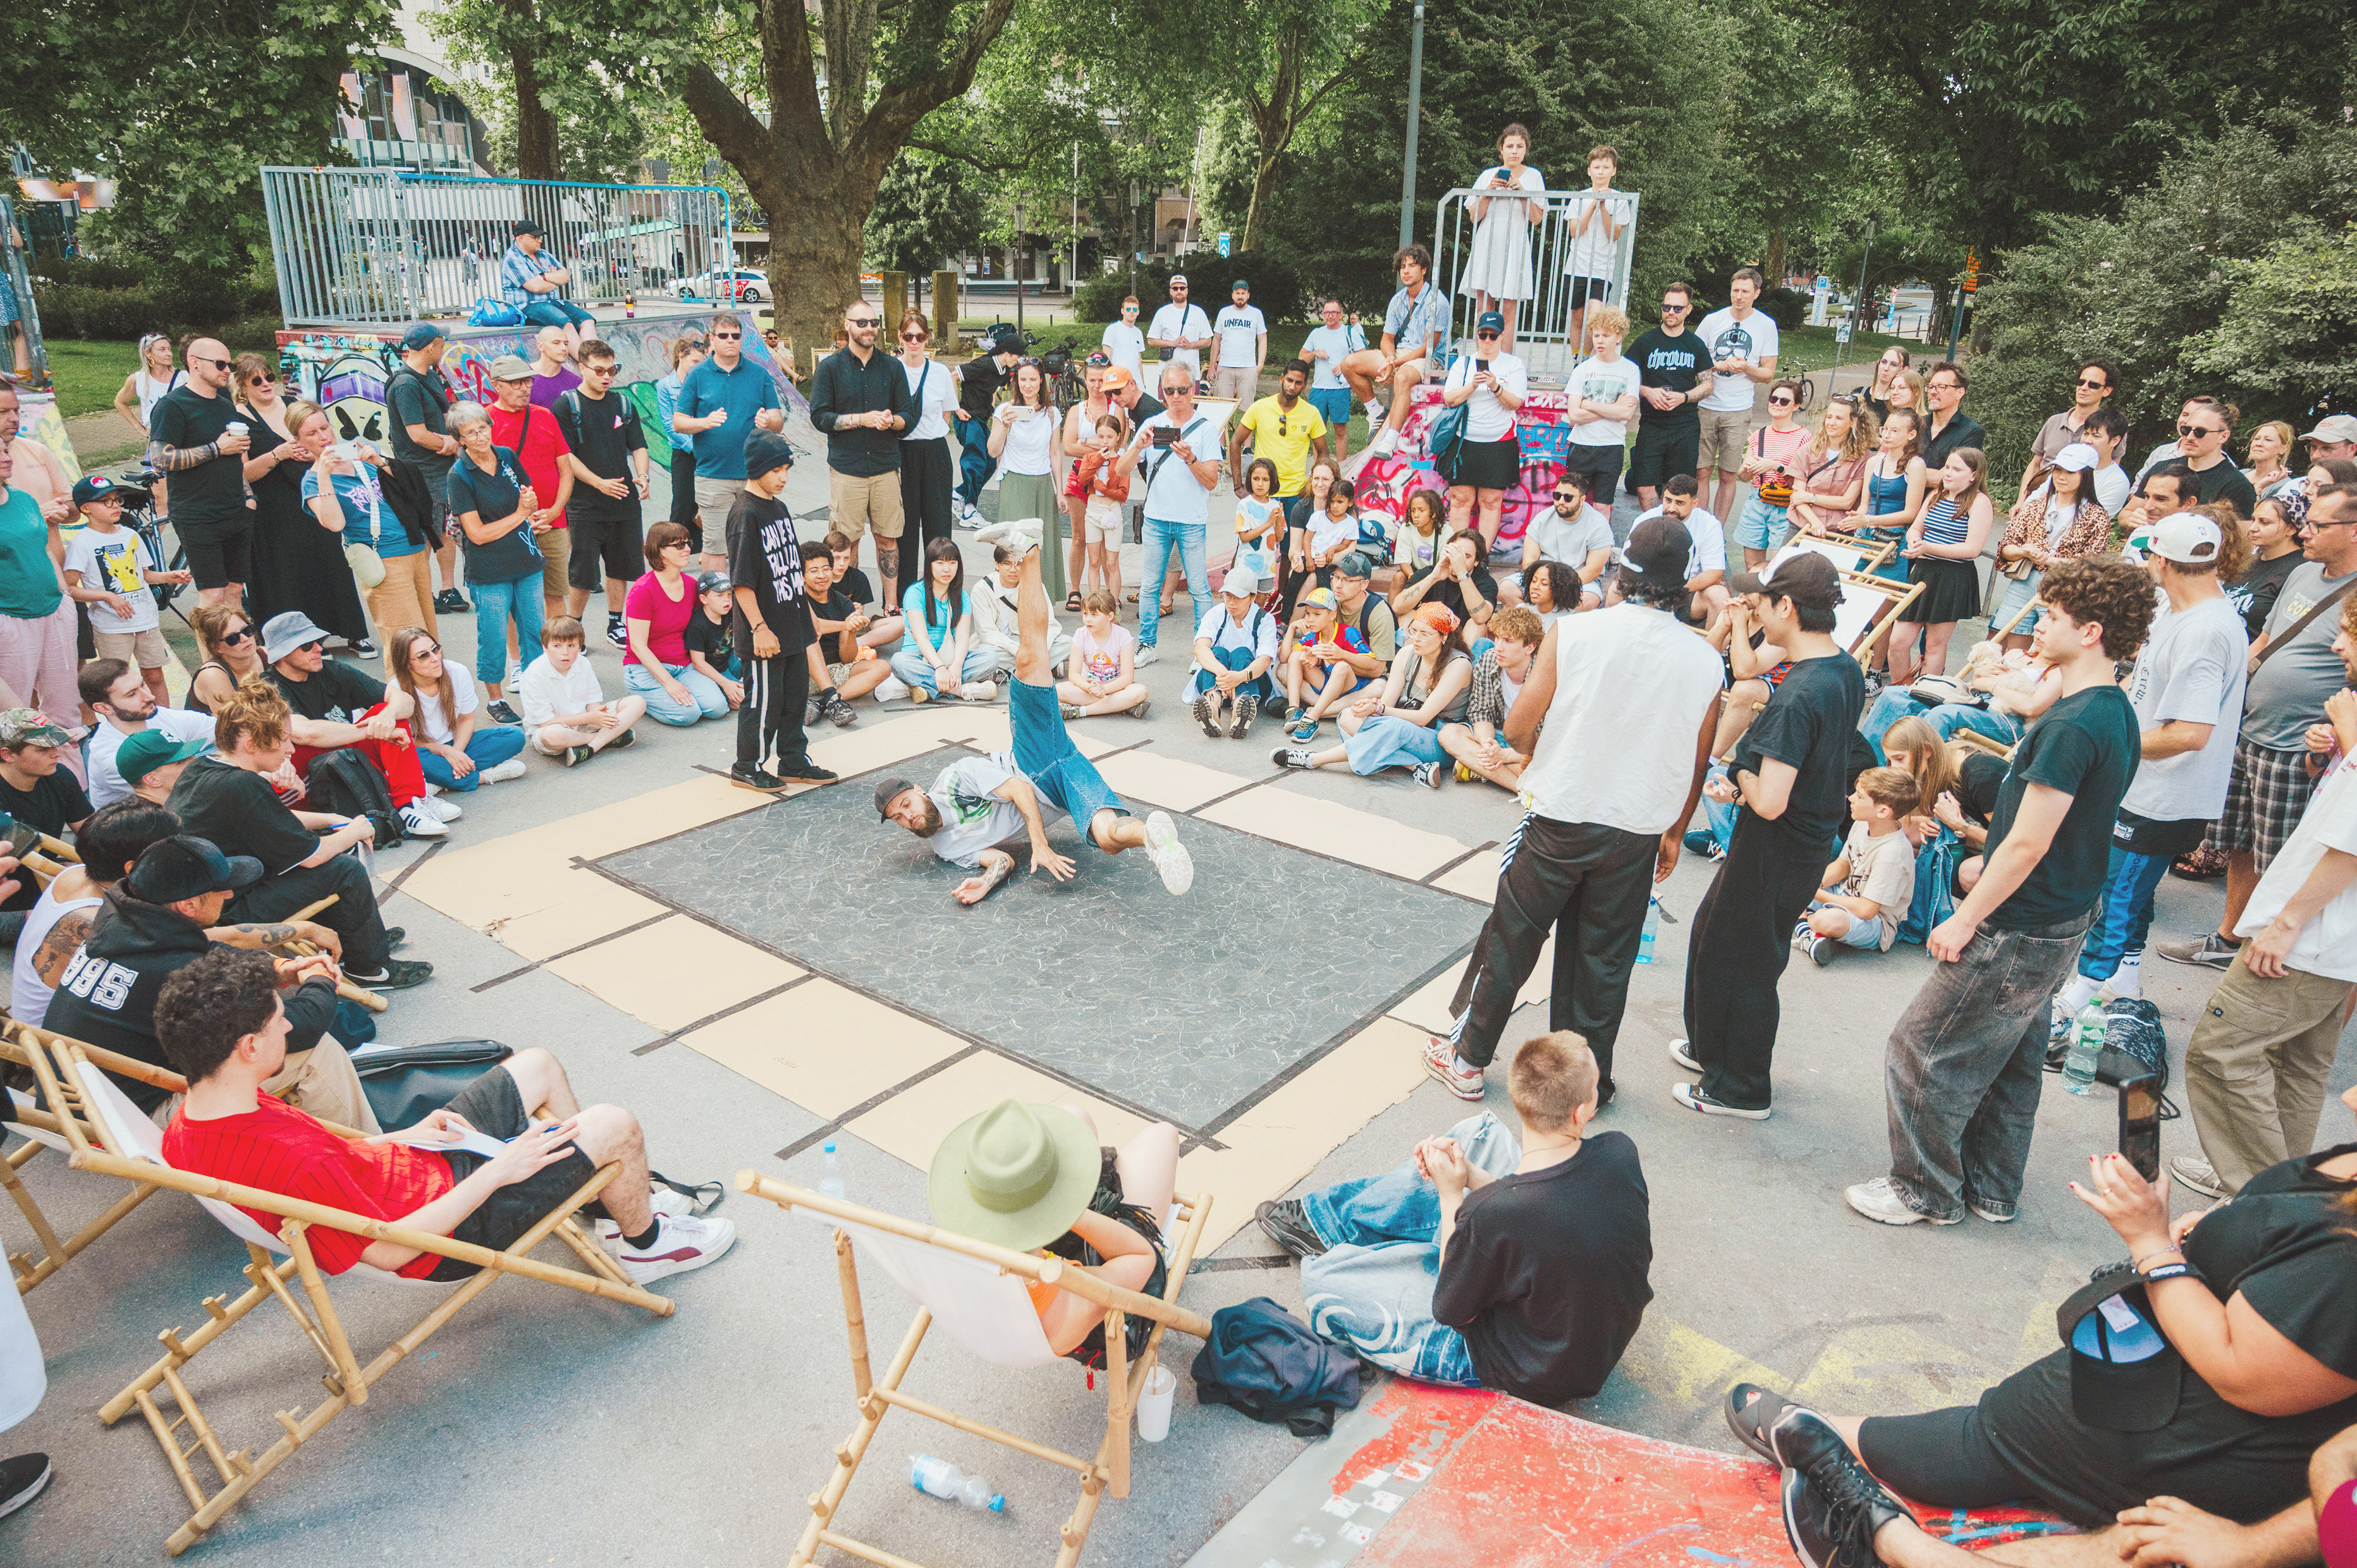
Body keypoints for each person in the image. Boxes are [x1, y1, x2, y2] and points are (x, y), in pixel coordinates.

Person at [1756, 1083, 2357, 1556]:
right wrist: (2207, 1238)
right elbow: (2288, 1252)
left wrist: (2153, 1246)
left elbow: (2249, 1376)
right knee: (2039, 1411)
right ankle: (1882, 1507)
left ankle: (1859, 1489)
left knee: (2007, 1425)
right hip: (2173, 1370)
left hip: (2210, 1436)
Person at [1846, 556, 2152, 1225]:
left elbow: (2026, 842)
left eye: (2053, 616)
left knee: (1920, 1048)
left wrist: (1966, 918)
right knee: (2010, 1056)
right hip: (2061, 913)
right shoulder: (2110, 709)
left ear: (2092, 630)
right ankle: (1990, 1188)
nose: (2038, 623)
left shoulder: (2072, 726)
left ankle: (1923, 1189)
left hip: (2019, 923)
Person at [157, 946, 733, 1285]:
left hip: (412, 1174)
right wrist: (501, 1170)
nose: (289, 1026)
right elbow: (390, 1250)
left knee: (535, 1065)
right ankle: (645, 1242)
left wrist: (405, 1136)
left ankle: (599, 1201)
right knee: (616, 1124)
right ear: (249, 1048)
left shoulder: (198, 1116)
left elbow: (335, 1162)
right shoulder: (291, 1162)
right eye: (278, 1022)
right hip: (446, 1232)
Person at [1424, 518, 1721, 1103]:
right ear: (1683, 583)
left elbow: (1518, 728)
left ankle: (1468, 1058)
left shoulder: (1576, 633)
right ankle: (1585, 1084)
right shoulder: (1705, 659)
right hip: (1637, 827)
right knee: (1603, 962)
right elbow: (1698, 757)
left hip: (1562, 813)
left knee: (1514, 937)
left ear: (1622, 574)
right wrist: (1675, 831)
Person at [1264, 1031, 1651, 1404]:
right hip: (1581, 1335)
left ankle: (1353, 1240)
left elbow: (1449, 1307)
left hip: (1528, 1368)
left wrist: (1452, 1197)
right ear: (1581, 1112)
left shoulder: (1496, 1215)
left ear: (1519, 1098)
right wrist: (1467, 1176)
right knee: (1478, 1133)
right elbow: (1536, 1209)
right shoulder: (1620, 1151)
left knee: (1321, 1278)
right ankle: (1335, 1228)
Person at [881, 521, 1192, 898]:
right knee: (1109, 839)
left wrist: (1040, 845)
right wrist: (986, 881)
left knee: (1030, 657)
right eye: (899, 818)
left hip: (1032, 756)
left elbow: (1019, 791)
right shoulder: (946, 847)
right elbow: (1001, 861)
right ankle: (1159, 842)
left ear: (918, 790)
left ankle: (1029, 549)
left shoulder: (954, 780)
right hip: (1064, 778)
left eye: (906, 805)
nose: (909, 817)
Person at [1669, 553, 1863, 1120]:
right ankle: (1712, 1049)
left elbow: (1771, 799)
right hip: (1801, 839)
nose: (1757, 609)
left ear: (1787, 608)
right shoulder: (1842, 668)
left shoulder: (1800, 695)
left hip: (1778, 844)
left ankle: (1741, 1087)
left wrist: (1738, 771)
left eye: (1764, 602)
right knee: (1714, 934)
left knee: (1744, 961)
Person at [2177, 590, 2357, 1197]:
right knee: (2295, 1067)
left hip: (2312, 934)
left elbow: (2353, 840)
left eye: (2349, 635)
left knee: (2219, 1054)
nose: (2337, 646)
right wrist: (2330, 756)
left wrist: (2285, 923)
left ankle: (2257, 1196)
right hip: (2334, 942)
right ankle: (2282, 1188)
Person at [2047, 510, 2246, 1050]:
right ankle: (2123, 978)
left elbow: (2192, 732)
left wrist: (2114, 745)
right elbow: (2142, 685)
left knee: (2117, 892)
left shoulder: (2206, 630)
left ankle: (2082, 992)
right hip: (2145, 785)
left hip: (2167, 795)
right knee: (2127, 892)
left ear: (2160, 560)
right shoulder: (2178, 609)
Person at [43, 832, 379, 1130]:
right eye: (221, 888)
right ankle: (372, 1158)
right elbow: (302, 1026)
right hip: (127, 1122)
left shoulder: (121, 920)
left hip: (77, 1097)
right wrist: (319, 981)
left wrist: (282, 967)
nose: (230, 891)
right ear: (188, 904)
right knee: (314, 1051)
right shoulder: (176, 971)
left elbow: (203, 948)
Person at [2159, 484, 2357, 970]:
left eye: (2319, 525)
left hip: (2299, 745)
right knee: (2240, 844)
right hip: (2251, 731)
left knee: (2281, 857)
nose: (2305, 531)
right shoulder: (2303, 573)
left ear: (2353, 531)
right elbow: (2266, 639)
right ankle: (2229, 938)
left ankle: (2271, 953)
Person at [168, 677, 430, 991]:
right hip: (224, 911)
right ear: (251, 744)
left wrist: (332, 818)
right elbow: (312, 856)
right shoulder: (242, 784)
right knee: (343, 867)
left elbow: (269, 817)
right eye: (284, 740)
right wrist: (358, 828)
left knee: (334, 846)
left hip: (205, 896)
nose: (291, 749)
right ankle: (369, 968)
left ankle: (357, 937)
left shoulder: (204, 768)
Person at [926, 1098, 1178, 1365]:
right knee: (1163, 1135)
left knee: (1074, 1115)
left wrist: (1027, 1201)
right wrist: (1064, 1208)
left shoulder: (950, 1257)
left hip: (1027, 1257)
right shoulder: (1072, 1300)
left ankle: (1022, 1186)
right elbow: (1141, 1256)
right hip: (1093, 1269)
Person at [258, 610, 443, 840]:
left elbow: (405, 701)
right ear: (283, 654)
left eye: (319, 641)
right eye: (307, 645)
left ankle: (410, 803)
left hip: (347, 760)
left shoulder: (332, 671)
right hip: (305, 776)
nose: (318, 648)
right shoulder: (268, 688)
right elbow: (306, 733)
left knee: (387, 714)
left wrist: (387, 717)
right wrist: (374, 730)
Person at [9, 799, 181, 1030]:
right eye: (175, 850)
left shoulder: (77, 874)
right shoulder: (99, 923)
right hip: (53, 1047)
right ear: (132, 868)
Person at [723, 430, 833, 792]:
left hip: (792, 624)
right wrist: (759, 628)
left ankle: (793, 759)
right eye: (776, 470)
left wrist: (808, 618)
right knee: (764, 702)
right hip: (765, 632)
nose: (783, 477)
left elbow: (788, 570)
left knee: (794, 698)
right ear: (757, 469)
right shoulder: (745, 513)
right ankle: (747, 765)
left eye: (786, 468)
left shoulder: (778, 506)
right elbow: (742, 582)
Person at [235, 366, 369, 653]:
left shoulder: (292, 405)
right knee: (286, 573)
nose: (266, 384)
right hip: (272, 506)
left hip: (311, 491)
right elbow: (242, 472)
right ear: (243, 386)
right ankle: (303, 641)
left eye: (269, 377)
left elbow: (323, 442)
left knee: (331, 561)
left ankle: (351, 630)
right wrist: (278, 454)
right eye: (256, 380)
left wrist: (313, 453)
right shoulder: (237, 418)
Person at [1271, 601, 1474, 788]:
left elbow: (1423, 718)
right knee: (1347, 716)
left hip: (1439, 738)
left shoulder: (1459, 665)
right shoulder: (1407, 653)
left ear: (1444, 636)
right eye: (1413, 631)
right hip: (1405, 724)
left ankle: (1313, 759)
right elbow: (1386, 704)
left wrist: (1379, 709)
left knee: (1393, 727)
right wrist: (1372, 709)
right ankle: (1415, 767)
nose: (1416, 639)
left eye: (1425, 634)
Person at [445, 398, 549, 727]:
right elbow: (475, 534)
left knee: (534, 631)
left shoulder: (506, 456)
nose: (480, 437)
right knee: (492, 637)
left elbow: (526, 491)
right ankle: (496, 699)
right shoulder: (459, 475)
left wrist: (529, 504)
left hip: (526, 558)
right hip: (489, 570)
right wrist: (520, 514)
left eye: (483, 428)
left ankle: (536, 690)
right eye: (471, 433)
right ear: (459, 439)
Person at [298, 400, 434, 649]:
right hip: (383, 560)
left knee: (430, 637)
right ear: (298, 441)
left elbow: (413, 494)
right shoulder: (312, 481)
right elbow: (335, 524)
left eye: (325, 428)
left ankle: (433, 689)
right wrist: (325, 476)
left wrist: (381, 462)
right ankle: (401, 689)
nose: (323, 437)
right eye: (311, 433)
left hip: (415, 550)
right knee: (408, 645)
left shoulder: (359, 457)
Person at [810, 300, 918, 606]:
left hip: (885, 467)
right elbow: (819, 417)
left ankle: (891, 606)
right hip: (847, 470)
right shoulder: (830, 368)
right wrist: (860, 419)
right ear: (847, 325)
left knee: (888, 540)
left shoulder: (893, 367)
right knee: (847, 544)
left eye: (873, 322)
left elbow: (907, 417)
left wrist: (891, 421)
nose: (869, 328)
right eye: (862, 323)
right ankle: (847, 607)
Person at [1115, 365, 1221, 666]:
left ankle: (1202, 650)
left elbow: (1212, 481)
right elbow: (1120, 471)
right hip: (1157, 518)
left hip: (1191, 520)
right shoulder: (1152, 423)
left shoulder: (1206, 429)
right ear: (1162, 391)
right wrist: (1138, 445)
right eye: (1170, 391)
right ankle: (1147, 644)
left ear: (1194, 390)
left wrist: (1190, 458)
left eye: (1182, 390)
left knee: (1200, 588)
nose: (1176, 397)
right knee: (1149, 587)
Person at [146, 337, 254, 608]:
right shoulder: (173, 405)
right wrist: (217, 448)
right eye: (220, 364)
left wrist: (248, 496)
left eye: (230, 364)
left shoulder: (225, 402)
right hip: (197, 514)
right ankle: (212, 653)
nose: (227, 370)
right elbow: (160, 458)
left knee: (234, 591)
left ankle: (237, 649)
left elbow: (234, 458)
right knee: (213, 595)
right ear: (194, 363)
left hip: (234, 508)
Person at [62, 475, 188, 704]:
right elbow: (69, 588)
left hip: (146, 620)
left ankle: (165, 723)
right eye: (106, 501)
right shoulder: (82, 543)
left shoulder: (131, 535)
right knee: (116, 681)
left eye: (117, 499)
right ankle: (126, 726)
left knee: (155, 676)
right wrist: (107, 596)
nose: (115, 505)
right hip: (111, 626)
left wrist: (170, 576)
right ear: (85, 508)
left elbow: (144, 575)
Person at [676, 313, 787, 572]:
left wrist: (767, 420)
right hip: (713, 476)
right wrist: (705, 422)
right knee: (715, 546)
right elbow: (679, 421)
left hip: (756, 476)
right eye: (723, 336)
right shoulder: (697, 375)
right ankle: (716, 607)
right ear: (712, 339)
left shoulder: (759, 374)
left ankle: (755, 605)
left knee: (758, 544)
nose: (730, 341)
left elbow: (778, 420)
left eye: (736, 336)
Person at [554, 338, 649, 632]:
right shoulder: (566, 404)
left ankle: (615, 623)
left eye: (612, 369)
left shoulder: (623, 403)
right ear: (582, 368)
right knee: (583, 572)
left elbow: (639, 446)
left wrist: (643, 476)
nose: (607, 376)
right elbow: (566, 455)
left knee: (620, 567)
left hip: (623, 501)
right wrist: (598, 484)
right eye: (599, 370)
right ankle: (575, 625)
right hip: (585, 504)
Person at [1888, 448, 1997, 688]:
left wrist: (1928, 547)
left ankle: (1923, 696)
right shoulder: (1936, 495)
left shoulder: (1979, 502)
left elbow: (1972, 549)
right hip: (1923, 571)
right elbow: (1916, 527)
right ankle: (1899, 691)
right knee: (1898, 641)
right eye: (1947, 467)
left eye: (1956, 469)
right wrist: (1914, 540)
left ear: (1973, 475)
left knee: (1935, 645)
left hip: (1953, 576)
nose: (1948, 473)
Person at [383, 322, 469, 619]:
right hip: (422, 472)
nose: (444, 347)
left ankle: (448, 589)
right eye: (441, 343)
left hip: (441, 466)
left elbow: (443, 414)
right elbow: (416, 434)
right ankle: (423, 592)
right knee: (426, 532)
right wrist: (450, 443)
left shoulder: (429, 375)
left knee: (444, 529)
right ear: (431, 346)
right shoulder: (406, 385)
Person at [1991, 443, 2113, 651]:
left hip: (2064, 587)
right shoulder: (2037, 504)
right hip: (2024, 580)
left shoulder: (2096, 515)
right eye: (2058, 470)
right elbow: (2006, 548)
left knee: (2045, 647)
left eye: (2070, 472)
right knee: (2000, 640)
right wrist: (2025, 551)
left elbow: (2093, 565)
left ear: (2086, 475)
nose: (2061, 477)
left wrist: (2050, 560)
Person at [1794, 766, 1921, 967]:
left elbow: (1867, 910)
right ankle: (1809, 934)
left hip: (1875, 924)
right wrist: (1813, 883)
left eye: (1859, 797)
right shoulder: (1863, 822)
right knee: (1791, 877)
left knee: (1827, 920)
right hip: (1844, 895)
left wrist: (1814, 893)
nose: (1851, 798)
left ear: (1883, 811)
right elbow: (1842, 866)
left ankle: (1803, 926)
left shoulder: (1892, 854)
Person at [483, 356, 574, 627]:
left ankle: (559, 652)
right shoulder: (484, 422)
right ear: (496, 385)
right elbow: (484, 482)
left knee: (555, 594)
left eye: (527, 381)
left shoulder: (545, 415)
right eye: (515, 383)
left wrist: (557, 510)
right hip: (509, 525)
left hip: (552, 521)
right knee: (511, 599)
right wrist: (520, 518)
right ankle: (519, 662)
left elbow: (566, 471)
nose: (524, 388)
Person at [387, 627, 528, 794]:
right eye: (424, 656)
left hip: (457, 743)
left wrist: (456, 754)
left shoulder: (458, 672)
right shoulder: (396, 690)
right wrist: (444, 751)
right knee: (411, 759)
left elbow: (466, 719)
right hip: (425, 751)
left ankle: (439, 780)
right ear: (406, 664)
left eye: (435, 649)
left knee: (514, 736)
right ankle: (483, 777)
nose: (435, 658)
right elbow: (407, 739)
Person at [1438, 310, 1529, 551]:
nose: (1487, 341)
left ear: (1501, 336)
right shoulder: (1464, 363)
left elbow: (1516, 403)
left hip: (1498, 441)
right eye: (1483, 335)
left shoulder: (1513, 364)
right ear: (1477, 336)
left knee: (1490, 502)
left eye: (1493, 336)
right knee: (1460, 501)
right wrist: (1472, 385)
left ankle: (1481, 557)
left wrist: (1495, 386)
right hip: (1464, 441)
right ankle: (1458, 553)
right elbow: (1449, 398)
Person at [1696, 269, 1781, 523]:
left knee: (1727, 474)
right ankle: (1700, 525)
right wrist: (1719, 365)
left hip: (1739, 409)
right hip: (1706, 405)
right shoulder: (1712, 321)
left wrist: (1746, 368)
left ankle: (1716, 531)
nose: (1739, 297)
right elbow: (1695, 361)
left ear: (1756, 293)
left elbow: (1768, 373)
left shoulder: (1766, 326)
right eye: (1735, 290)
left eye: (1745, 292)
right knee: (1701, 471)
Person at [1348, 246, 1448, 460]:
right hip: (1400, 355)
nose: (1406, 271)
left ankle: (1389, 441)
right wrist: (1390, 358)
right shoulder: (1398, 299)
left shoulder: (1437, 301)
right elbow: (1387, 339)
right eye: (1403, 267)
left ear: (1424, 270)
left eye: (1412, 266)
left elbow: (1427, 348)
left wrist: (1395, 364)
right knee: (1350, 363)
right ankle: (1376, 413)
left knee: (1402, 377)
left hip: (1429, 359)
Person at [1457, 125, 1546, 352]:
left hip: (1515, 243)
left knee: (1509, 307)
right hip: (1488, 241)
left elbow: (1537, 219)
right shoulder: (1488, 174)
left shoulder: (1534, 176)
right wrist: (1488, 190)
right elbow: (1474, 216)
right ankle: (1483, 357)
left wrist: (1522, 193)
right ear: (1501, 149)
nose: (1514, 151)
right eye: (1509, 146)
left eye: (1519, 146)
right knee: (1484, 306)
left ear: (1526, 150)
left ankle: (1505, 359)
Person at [1626, 283, 1715, 512]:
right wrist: (1647, 391)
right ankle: (1654, 532)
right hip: (1652, 425)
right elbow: (1624, 378)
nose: (1671, 313)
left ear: (1689, 310)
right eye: (1666, 307)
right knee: (1644, 486)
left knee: (1678, 490)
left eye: (1677, 308)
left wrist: (1683, 397)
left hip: (1684, 427)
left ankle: (1673, 538)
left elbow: (1708, 386)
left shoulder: (1695, 345)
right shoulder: (1645, 342)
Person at [79, 659, 214, 809]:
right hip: (141, 827)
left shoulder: (153, 714)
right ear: (104, 708)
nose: (150, 697)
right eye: (132, 694)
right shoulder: (112, 757)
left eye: (143, 685)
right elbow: (188, 787)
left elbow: (223, 731)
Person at [1438, 603, 1546, 790]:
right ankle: (1522, 788)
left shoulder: (1544, 673)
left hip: (1535, 747)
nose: (1498, 647)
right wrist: (1488, 744)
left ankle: (1478, 767)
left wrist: (1506, 756)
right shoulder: (1489, 660)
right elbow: (1481, 712)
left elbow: (1552, 737)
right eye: (1497, 638)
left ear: (1530, 647)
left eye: (1508, 641)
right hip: (1500, 736)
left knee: (1545, 764)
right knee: (1449, 734)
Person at [986, 357, 1065, 603]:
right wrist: (1005, 425)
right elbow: (993, 450)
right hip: (1015, 482)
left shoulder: (1052, 414)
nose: (1028, 385)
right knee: (1014, 544)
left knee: (1043, 545)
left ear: (1042, 380)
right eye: (1023, 379)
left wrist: (1059, 491)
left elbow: (1055, 453)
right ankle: (1011, 598)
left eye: (1033, 379)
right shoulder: (1005, 410)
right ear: (1016, 381)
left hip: (1042, 483)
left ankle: (1043, 600)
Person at [517, 616, 643, 766]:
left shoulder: (583, 663)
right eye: (557, 646)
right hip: (553, 727)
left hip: (587, 720)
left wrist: (601, 715)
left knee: (638, 702)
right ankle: (608, 738)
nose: (565, 653)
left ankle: (591, 748)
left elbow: (592, 702)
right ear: (545, 647)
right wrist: (593, 718)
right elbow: (546, 722)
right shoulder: (534, 675)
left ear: (580, 646)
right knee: (553, 736)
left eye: (571, 646)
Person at [893, 536, 998, 704]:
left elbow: (963, 637)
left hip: (950, 658)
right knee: (899, 662)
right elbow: (921, 638)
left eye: (952, 563)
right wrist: (939, 667)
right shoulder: (916, 593)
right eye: (940, 563)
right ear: (930, 565)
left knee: (991, 657)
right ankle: (960, 690)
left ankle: (928, 688)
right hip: (920, 658)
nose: (947, 569)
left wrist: (956, 666)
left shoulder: (962, 597)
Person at [800, 546, 896, 716]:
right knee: (809, 637)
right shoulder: (798, 599)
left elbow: (847, 658)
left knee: (883, 667)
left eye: (826, 569)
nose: (822, 575)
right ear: (802, 577)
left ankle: (824, 703)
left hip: (835, 668)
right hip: (803, 671)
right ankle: (831, 699)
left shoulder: (843, 602)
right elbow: (813, 626)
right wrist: (845, 625)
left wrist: (851, 631)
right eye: (814, 571)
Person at [1228, 359, 1330, 514]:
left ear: (1305, 385)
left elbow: (1323, 452)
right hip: (1263, 492)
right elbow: (1236, 441)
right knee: (1256, 538)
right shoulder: (1259, 407)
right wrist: (1238, 485)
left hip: (1296, 494)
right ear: (1282, 378)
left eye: (1298, 383)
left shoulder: (1312, 413)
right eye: (1289, 380)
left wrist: (1311, 485)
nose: (1292, 386)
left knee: (1293, 539)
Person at [897, 311, 960, 560]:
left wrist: (929, 433)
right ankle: (902, 596)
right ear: (900, 337)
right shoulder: (892, 370)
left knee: (938, 528)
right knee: (903, 529)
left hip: (934, 452)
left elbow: (946, 414)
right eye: (909, 336)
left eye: (920, 336)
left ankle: (939, 593)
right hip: (902, 452)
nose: (914, 342)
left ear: (927, 339)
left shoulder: (940, 372)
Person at [1625, 474, 1729, 624]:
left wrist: (1677, 587)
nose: (1671, 509)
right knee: (1615, 590)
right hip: (1647, 590)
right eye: (1668, 501)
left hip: (1687, 591)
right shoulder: (1644, 521)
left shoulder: (1710, 524)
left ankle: (1710, 647)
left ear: (1695, 503)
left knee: (1719, 595)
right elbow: (1628, 564)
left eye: (1680, 503)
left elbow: (1715, 573)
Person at [1184, 568, 1276, 737]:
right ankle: (1212, 707)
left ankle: (1239, 709)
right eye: (1228, 596)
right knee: (1218, 652)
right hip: (1219, 682)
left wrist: (1240, 677)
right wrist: (1224, 674)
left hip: (1253, 683)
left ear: (1253, 597)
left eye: (1238, 598)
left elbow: (1264, 660)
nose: (1231, 603)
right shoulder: (1217, 613)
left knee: (1241, 653)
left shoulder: (1264, 620)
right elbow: (1200, 648)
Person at [1732, 379, 1813, 570]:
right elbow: (1744, 478)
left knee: (1780, 566)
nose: (1777, 404)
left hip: (1785, 505)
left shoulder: (1804, 437)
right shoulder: (1759, 435)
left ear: (1797, 406)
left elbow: (1804, 480)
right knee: (1752, 565)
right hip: (1757, 501)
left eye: (1784, 401)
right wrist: (1745, 470)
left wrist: (1777, 466)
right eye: (1774, 399)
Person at [1564, 305, 1638, 508]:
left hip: (1612, 447)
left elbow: (1627, 413)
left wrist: (1588, 404)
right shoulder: (1582, 370)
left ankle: (1600, 541)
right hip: (1581, 445)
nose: (1600, 340)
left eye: (1606, 335)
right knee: (1573, 503)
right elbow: (1575, 415)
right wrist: (1613, 408)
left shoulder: (1630, 370)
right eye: (1596, 335)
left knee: (1603, 506)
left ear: (1619, 336)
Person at [1560, 145, 1633, 350]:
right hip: (1576, 266)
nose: (1601, 171)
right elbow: (1576, 231)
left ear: (1614, 171)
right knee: (1577, 316)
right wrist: (1593, 203)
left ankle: (1585, 359)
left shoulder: (1619, 200)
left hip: (1602, 268)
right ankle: (1577, 359)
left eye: (1606, 167)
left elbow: (1614, 235)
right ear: (1589, 170)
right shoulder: (1579, 197)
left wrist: (1603, 206)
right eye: (1597, 167)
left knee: (1594, 317)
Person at [654, 332, 708, 599]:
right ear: (681, 357)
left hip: (708, 448)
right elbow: (669, 424)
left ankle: (701, 549)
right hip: (685, 452)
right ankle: (671, 548)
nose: (699, 366)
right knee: (684, 502)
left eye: (703, 361)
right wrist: (692, 448)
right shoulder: (666, 386)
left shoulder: (705, 382)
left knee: (710, 499)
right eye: (695, 360)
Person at [952, 327, 1022, 527]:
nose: (1018, 360)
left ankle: (958, 494)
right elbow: (952, 377)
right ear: (1007, 353)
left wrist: (991, 406)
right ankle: (969, 511)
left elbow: (992, 389)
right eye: (1017, 356)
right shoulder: (982, 364)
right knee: (975, 463)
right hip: (967, 418)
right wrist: (956, 408)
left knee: (991, 460)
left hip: (981, 418)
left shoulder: (1004, 370)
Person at [2018, 358, 2117, 496]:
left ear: (2106, 391)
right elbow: (2035, 464)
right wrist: (2021, 500)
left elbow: (2109, 472)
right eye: (2081, 382)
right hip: (2036, 500)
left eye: (2093, 385)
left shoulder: (2110, 429)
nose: (2084, 388)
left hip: (2076, 503)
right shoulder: (2054, 421)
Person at [972, 538, 1072, 675]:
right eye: (1007, 564)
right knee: (983, 652)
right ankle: (1043, 668)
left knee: (1069, 643)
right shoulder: (982, 589)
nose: (1013, 570)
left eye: (1018, 564)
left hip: (1030, 643)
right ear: (997, 565)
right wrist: (1018, 650)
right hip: (1000, 644)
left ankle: (1007, 672)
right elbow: (987, 633)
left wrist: (1041, 649)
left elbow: (1051, 625)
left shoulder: (1036, 586)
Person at [1784, 395, 1875, 543]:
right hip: (1802, 526)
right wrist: (1815, 523)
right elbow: (1798, 498)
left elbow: (1847, 502)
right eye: (1829, 417)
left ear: (1853, 422)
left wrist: (1811, 497)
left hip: (1839, 532)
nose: (1831, 423)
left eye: (1839, 418)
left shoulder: (1864, 458)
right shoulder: (1806, 451)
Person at [1067, 413, 1131, 610]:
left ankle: (1113, 601)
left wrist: (1104, 489)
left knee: (1112, 562)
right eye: (1101, 436)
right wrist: (1097, 459)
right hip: (1093, 512)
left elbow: (1123, 494)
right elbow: (1082, 480)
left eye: (1110, 437)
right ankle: (1094, 601)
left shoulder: (1122, 461)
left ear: (1118, 437)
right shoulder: (1089, 457)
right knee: (1094, 561)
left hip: (1112, 512)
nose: (1106, 441)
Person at [1058, 587, 1151, 721]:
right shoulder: (1081, 635)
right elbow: (1074, 674)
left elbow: (1127, 677)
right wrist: (1091, 688)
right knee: (1059, 690)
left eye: (1094, 615)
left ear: (1110, 617)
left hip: (1115, 688)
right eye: (1085, 614)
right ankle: (1121, 706)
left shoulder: (1123, 636)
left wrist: (1104, 689)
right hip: (1088, 690)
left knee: (1141, 691)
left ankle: (1081, 711)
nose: (1088, 620)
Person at [2236, 490, 2309, 640]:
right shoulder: (2248, 561)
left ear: (2291, 528)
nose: (2253, 528)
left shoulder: (2301, 570)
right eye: (2253, 520)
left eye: (2264, 522)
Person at [498, 221, 592, 338]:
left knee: (587, 320)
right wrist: (556, 281)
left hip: (553, 302)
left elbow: (565, 276)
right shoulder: (512, 258)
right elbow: (535, 287)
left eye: (540, 237)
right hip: (528, 306)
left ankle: (592, 356)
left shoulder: (544, 254)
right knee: (565, 323)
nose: (540, 241)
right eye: (535, 237)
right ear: (521, 238)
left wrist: (544, 277)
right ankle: (582, 356)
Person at [1300, 300, 1366, 462]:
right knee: (1317, 431)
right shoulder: (1316, 333)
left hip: (1340, 389)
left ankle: (1341, 468)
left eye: (1334, 313)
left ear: (1341, 315)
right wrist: (1315, 352)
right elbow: (1302, 357)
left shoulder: (1349, 332)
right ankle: (1318, 468)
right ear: (1323, 315)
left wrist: (1344, 366)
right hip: (1319, 389)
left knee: (1340, 431)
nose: (1330, 316)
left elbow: (1364, 357)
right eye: (1326, 313)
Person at [1392, 530, 1498, 632]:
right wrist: (1433, 577)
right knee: (1407, 616)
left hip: (1463, 641)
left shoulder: (1486, 582)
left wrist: (1462, 573)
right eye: (1455, 553)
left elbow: (1481, 617)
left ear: (1476, 561)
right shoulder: (1430, 573)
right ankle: (1410, 651)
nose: (1458, 559)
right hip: (1430, 637)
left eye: (1466, 556)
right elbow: (1398, 607)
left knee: (1476, 626)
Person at [1144, 273, 1214, 385]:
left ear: (1187, 291)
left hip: (1191, 373)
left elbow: (1208, 341)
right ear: (1171, 291)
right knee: (1165, 403)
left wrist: (1190, 345)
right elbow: (1151, 340)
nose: (1179, 291)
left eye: (1182, 288)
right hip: (1167, 373)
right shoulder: (1162, 313)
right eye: (1175, 288)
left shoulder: (1198, 313)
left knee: (1190, 403)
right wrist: (1173, 343)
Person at [1209, 278, 1267, 406]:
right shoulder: (1224, 313)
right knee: (1223, 407)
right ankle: (1226, 428)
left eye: (1243, 293)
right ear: (1232, 295)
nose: (1240, 296)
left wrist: (1260, 365)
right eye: (1237, 293)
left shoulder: (1256, 314)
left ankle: (1244, 428)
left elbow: (1262, 340)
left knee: (1247, 408)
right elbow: (1216, 340)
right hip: (1225, 367)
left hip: (1248, 367)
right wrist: (1212, 366)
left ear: (1248, 295)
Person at [111, 333, 178, 443]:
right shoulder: (138, 380)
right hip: (157, 441)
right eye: (162, 350)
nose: (169, 354)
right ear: (148, 354)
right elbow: (120, 402)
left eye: (169, 349)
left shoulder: (184, 377)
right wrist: (139, 427)